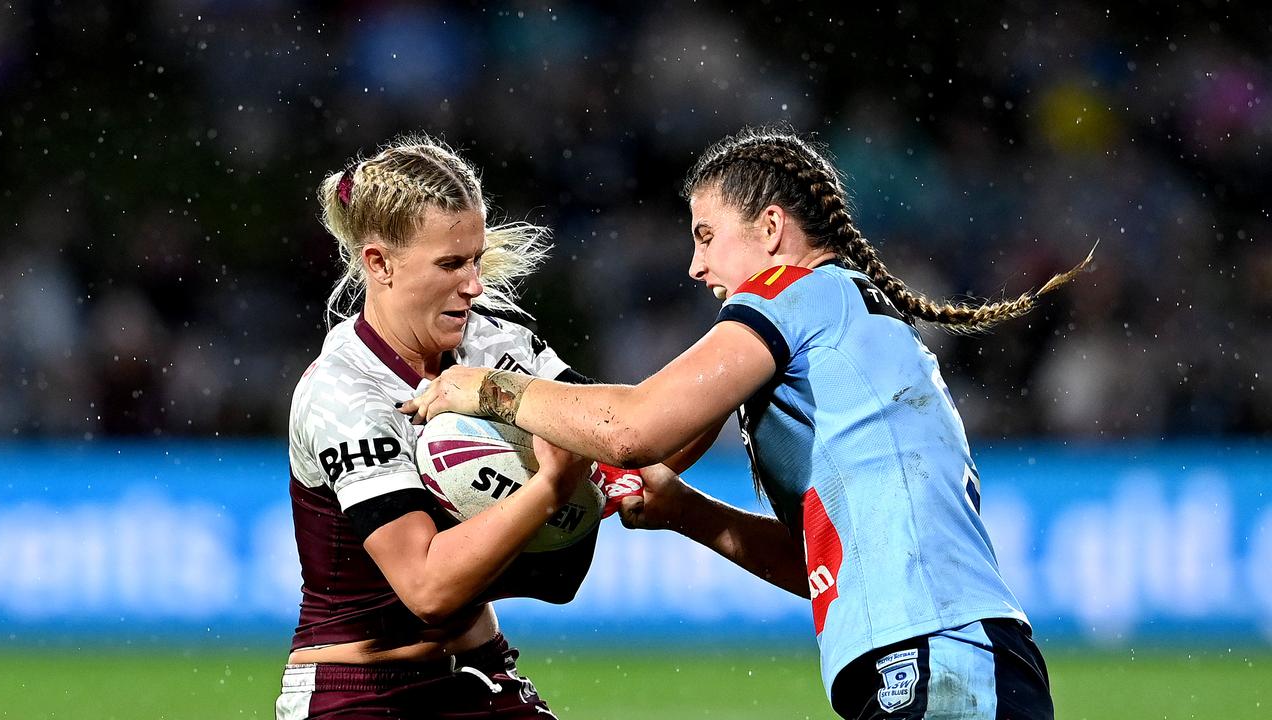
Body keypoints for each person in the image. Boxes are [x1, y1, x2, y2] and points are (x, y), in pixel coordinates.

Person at [404, 128, 1094, 719]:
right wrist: (685, 512)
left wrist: (488, 388)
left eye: (707, 237)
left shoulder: (794, 293)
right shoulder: (845, 323)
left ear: (770, 230)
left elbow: (633, 428)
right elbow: (830, 569)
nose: (696, 265)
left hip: (938, 658)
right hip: (944, 654)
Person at [278, 134, 612, 719]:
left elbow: (618, 432)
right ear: (378, 262)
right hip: (362, 694)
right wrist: (551, 488)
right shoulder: (343, 391)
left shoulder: (496, 345)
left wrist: (739, 364)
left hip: (483, 676)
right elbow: (429, 589)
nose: (476, 285)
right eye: (451, 264)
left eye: (477, 259)